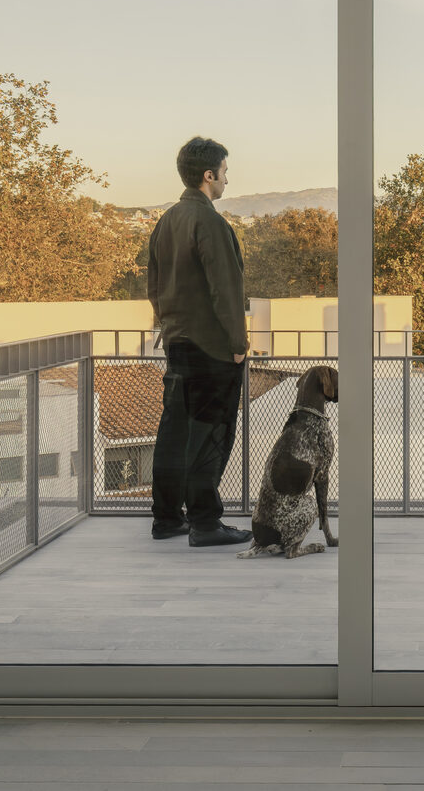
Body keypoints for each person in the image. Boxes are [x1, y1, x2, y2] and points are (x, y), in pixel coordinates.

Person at [146, 136, 254, 546]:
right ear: (209, 176)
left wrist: (170, 326)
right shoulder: (209, 222)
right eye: (224, 172)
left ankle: (167, 519)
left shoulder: (166, 220)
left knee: (175, 433)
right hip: (211, 347)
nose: (227, 179)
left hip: (177, 343)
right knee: (211, 432)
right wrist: (238, 343)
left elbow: (153, 287)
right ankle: (206, 523)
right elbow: (225, 291)